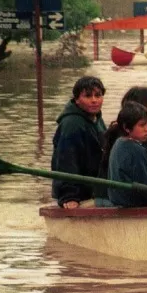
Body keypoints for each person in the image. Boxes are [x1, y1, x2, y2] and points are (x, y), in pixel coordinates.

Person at [51, 76, 106, 208]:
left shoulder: (96, 119)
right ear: (77, 100)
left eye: (98, 95)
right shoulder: (72, 124)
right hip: (79, 195)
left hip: (94, 190)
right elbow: (66, 161)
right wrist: (70, 197)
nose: (94, 100)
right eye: (88, 96)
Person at [101, 101, 147, 208]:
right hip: (131, 202)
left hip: (118, 198)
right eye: (142, 125)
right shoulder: (136, 149)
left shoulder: (119, 142)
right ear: (127, 127)